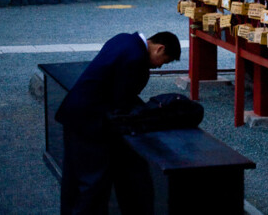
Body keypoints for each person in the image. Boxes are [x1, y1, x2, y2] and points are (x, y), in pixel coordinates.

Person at [56, 31, 181, 214]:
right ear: (159, 49)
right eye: (164, 61)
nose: (159, 66)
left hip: (74, 111)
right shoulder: (136, 58)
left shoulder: (123, 39)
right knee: (93, 182)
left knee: (72, 178)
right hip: (92, 122)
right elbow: (122, 101)